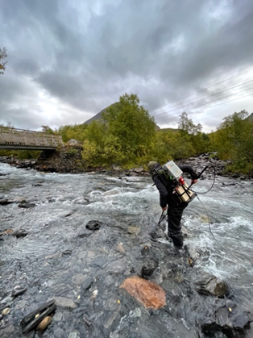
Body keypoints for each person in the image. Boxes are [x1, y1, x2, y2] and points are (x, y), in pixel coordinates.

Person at [148, 161, 198, 250]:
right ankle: (174, 236)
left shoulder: (156, 176)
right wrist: (194, 177)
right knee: (173, 219)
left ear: (151, 170)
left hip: (176, 201)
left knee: (174, 230)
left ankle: (179, 249)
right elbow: (188, 168)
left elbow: (164, 193)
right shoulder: (169, 168)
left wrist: (163, 205)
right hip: (184, 196)